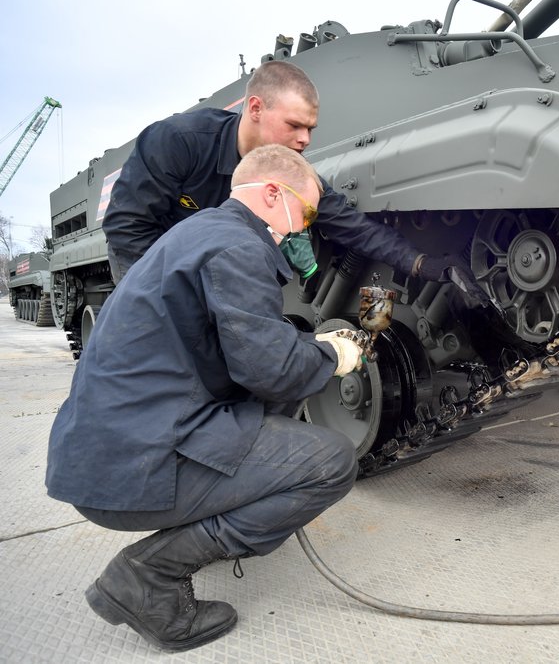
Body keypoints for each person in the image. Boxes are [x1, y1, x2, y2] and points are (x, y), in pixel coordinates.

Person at [46, 145, 371, 652]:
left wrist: (301, 351)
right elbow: (274, 370)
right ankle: (149, 577)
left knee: (279, 418)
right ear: (270, 193)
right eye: (304, 212)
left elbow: (249, 360)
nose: (303, 227)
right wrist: (333, 356)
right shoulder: (238, 249)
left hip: (107, 453)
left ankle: (207, 529)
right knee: (330, 462)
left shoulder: (200, 234)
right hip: (132, 468)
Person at [102, 59, 482, 297]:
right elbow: (126, 226)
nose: (305, 139)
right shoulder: (178, 142)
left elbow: (351, 226)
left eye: (311, 129)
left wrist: (419, 263)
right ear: (255, 108)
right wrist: (167, 293)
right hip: (152, 263)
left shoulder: (290, 172)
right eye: (295, 125)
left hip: (219, 265)